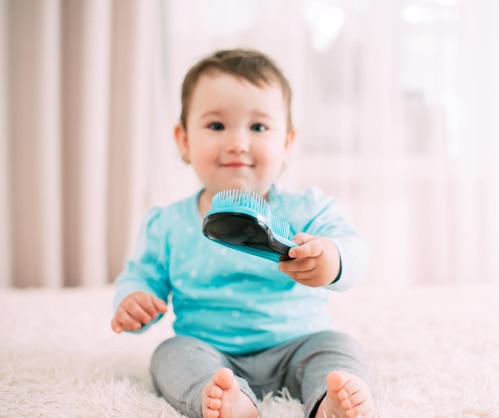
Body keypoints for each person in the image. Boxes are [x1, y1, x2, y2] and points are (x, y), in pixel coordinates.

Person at [111, 48, 377, 418]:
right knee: (169, 354)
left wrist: (332, 258)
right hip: (209, 352)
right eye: (216, 126)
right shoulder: (167, 224)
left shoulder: (308, 210)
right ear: (184, 140)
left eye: (258, 127)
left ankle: (329, 400)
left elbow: (356, 252)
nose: (238, 142)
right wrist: (136, 299)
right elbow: (141, 276)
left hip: (299, 344)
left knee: (337, 347)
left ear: (286, 144)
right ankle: (225, 400)